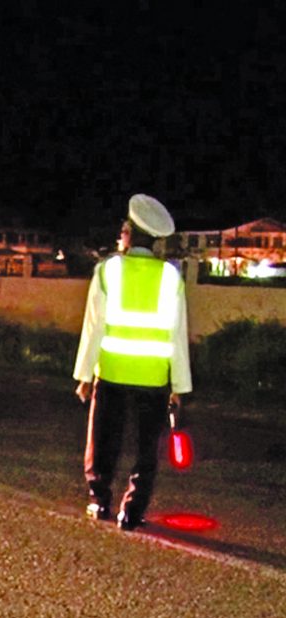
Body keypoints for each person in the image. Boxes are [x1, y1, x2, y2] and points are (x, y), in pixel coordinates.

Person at [74, 194, 191, 531]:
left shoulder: (108, 271)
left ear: (128, 232)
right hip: (154, 377)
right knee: (146, 447)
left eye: (122, 230)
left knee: (104, 440)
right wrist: (179, 387)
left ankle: (100, 500)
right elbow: (177, 336)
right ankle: (133, 510)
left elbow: (93, 328)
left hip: (111, 372)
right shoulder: (171, 278)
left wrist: (84, 375)